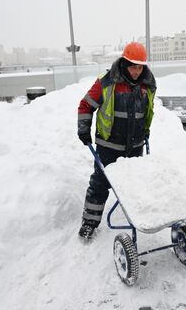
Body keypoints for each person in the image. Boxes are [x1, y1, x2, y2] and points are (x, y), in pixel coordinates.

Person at [77, 42, 157, 240]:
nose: (137, 71)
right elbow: (86, 105)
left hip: (135, 146)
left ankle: (134, 217)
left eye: (140, 67)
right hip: (108, 147)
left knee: (133, 183)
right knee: (100, 184)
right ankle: (90, 222)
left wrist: (145, 131)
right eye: (133, 66)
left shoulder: (147, 85)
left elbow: (146, 111)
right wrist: (83, 129)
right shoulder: (107, 83)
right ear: (124, 62)